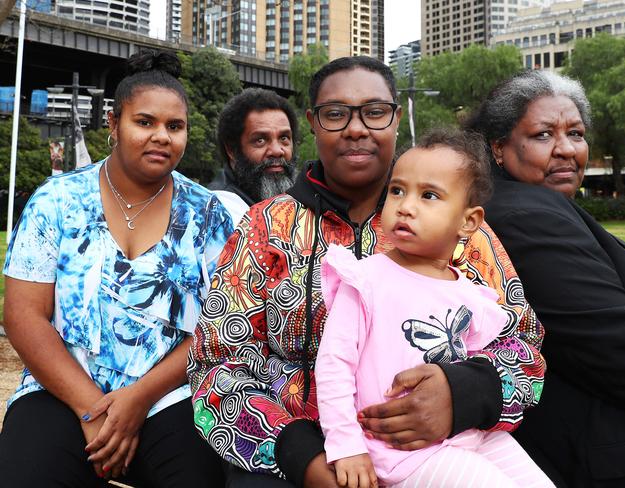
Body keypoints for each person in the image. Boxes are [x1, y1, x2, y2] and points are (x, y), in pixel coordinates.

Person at [188, 56, 546, 488]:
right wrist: (303, 456)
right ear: (313, 124)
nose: (356, 129)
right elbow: (215, 367)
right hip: (288, 462)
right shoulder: (266, 227)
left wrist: (464, 394)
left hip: (440, 450)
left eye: (374, 112)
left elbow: (525, 346)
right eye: (336, 114)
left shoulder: (458, 231)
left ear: (395, 119)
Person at [0, 51, 232, 487]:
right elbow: (22, 315)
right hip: (62, 390)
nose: (161, 136)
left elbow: (217, 329)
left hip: (167, 395)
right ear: (113, 124)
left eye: (174, 126)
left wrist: (137, 400)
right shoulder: (56, 201)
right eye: (144, 122)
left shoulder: (207, 214)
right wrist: (92, 408)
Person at [315, 128, 553, 488]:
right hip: (402, 452)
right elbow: (334, 365)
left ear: (468, 221)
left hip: (467, 433)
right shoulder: (365, 280)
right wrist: (345, 445)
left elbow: (494, 357)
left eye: (428, 195)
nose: (405, 206)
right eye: (397, 190)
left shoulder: (471, 294)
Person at [467, 69, 625, 487]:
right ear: (498, 148)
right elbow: (620, 348)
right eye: (543, 135)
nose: (567, 150)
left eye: (576, 133)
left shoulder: (536, 203)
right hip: (614, 455)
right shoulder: (525, 215)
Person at [208, 87, 299, 205]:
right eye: (260, 140)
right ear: (232, 150)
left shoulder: (304, 202)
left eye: (283, 138)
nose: (277, 151)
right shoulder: (216, 211)